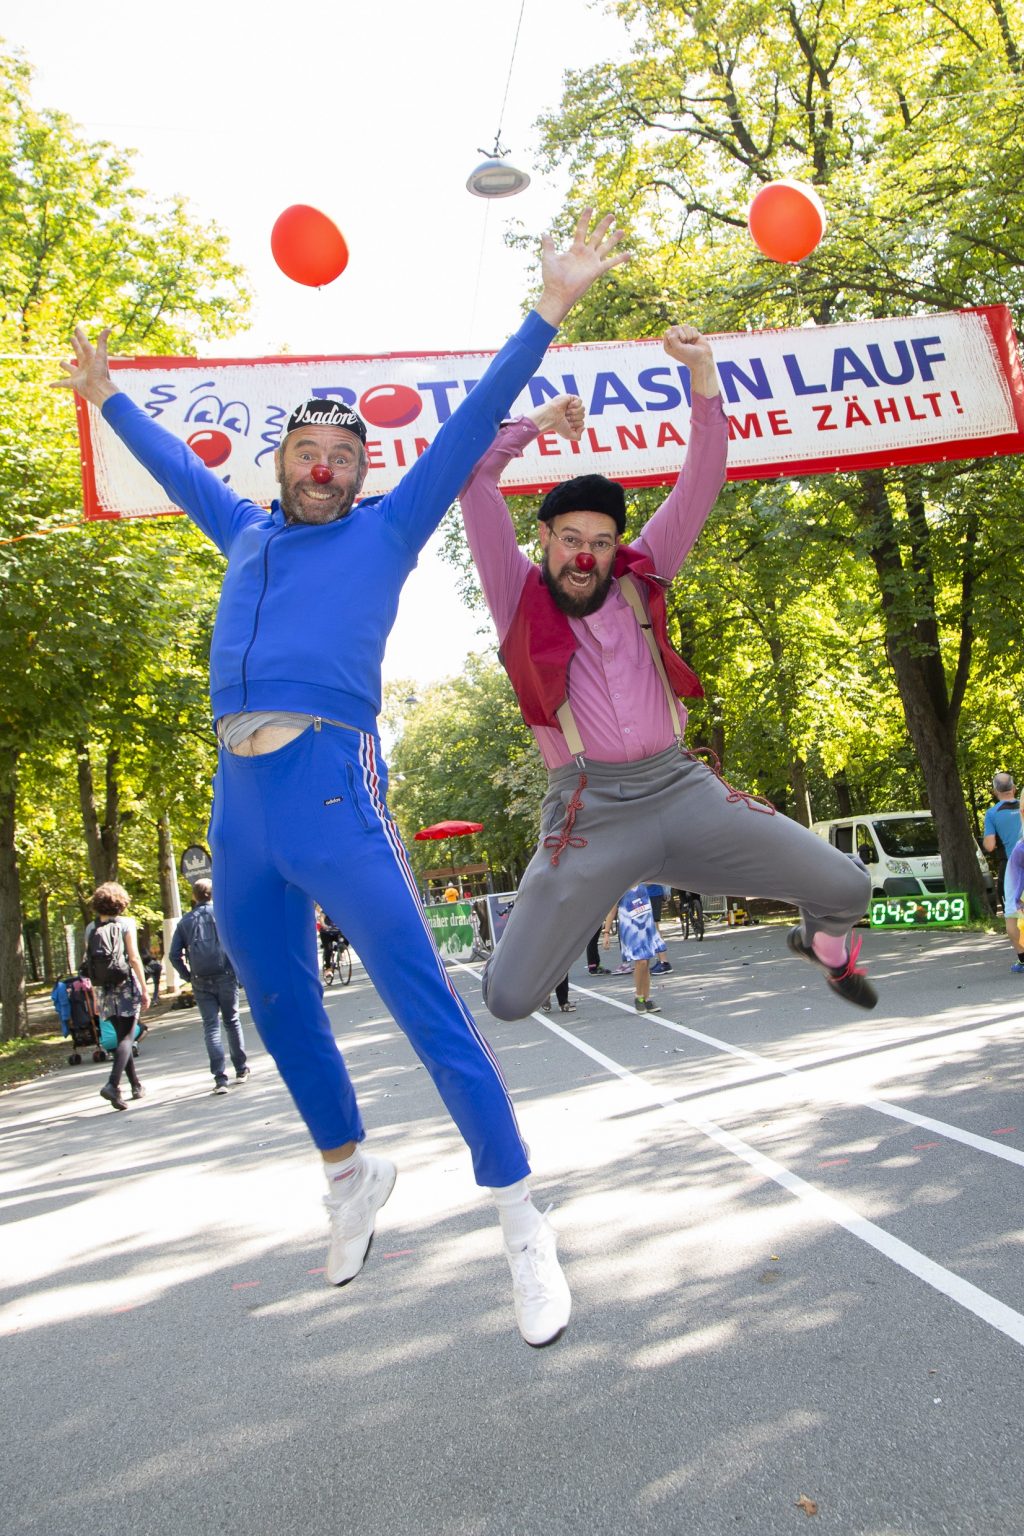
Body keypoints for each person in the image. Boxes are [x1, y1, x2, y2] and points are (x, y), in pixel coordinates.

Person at [55, 207, 629, 1349]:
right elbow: (175, 466)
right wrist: (103, 394)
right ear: (280, 469)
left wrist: (552, 306)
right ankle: (349, 1175)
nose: (323, 470)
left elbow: (468, 429)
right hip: (239, 802)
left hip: (328, 780)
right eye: (306, 457)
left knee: (423, 1000)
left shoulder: (384, 530)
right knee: (278, 1004)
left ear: (362, 474)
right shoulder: (244, 533)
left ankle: (520, 1216)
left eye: (343, 459)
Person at [458, 329, 876, 1026]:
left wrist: (705, 376)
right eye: (570, 540)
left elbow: (702, 480)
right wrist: (533, 425)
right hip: (590, 813)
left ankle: (823, 943)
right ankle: (566, 912)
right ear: (545, 542)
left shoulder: (641, 573)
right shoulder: (513, 593)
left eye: (600, 543)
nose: (585, 558)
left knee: (847, 884)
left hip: (683, 792)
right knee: (507, 999)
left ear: (616, 546)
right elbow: (474, 478)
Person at [169, 879, 249, 1093]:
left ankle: (220, 1078)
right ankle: (241, 1069)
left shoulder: (185, 922)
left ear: (194, 896)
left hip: (200, 980)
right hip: (226, 975)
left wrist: (188, 976)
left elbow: (173, 955)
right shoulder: (223, 915)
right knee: (232, 1021)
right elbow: (239, 944)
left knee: (211, 1026)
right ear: (213, 894)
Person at [85, 882, 150, 1110]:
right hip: (125, 986)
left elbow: (90, 966)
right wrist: (143, 987)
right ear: (120, 903)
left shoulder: (90, 928)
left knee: (122, 1036)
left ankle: (135, 1086)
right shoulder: (126, 924)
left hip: (103, 991)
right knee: (126, 1037)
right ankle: (112, 1084)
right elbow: (133, 958)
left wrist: (94, 998)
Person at [982, 771, 1023, 966]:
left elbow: (990, 845)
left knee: (1013, 913)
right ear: (1014, 788)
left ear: (995, 791)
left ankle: (1022, 959)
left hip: (1014, 867)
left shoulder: (992, 814)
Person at [603, 887, 663, 1013]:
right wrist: (606, 933)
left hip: (646, 927)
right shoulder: (621, 886)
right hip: (631, 930)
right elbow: (612, 911)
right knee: (640, 962)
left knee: (646, 963)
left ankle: (646, 998)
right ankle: (638, 997)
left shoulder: (643, 882)